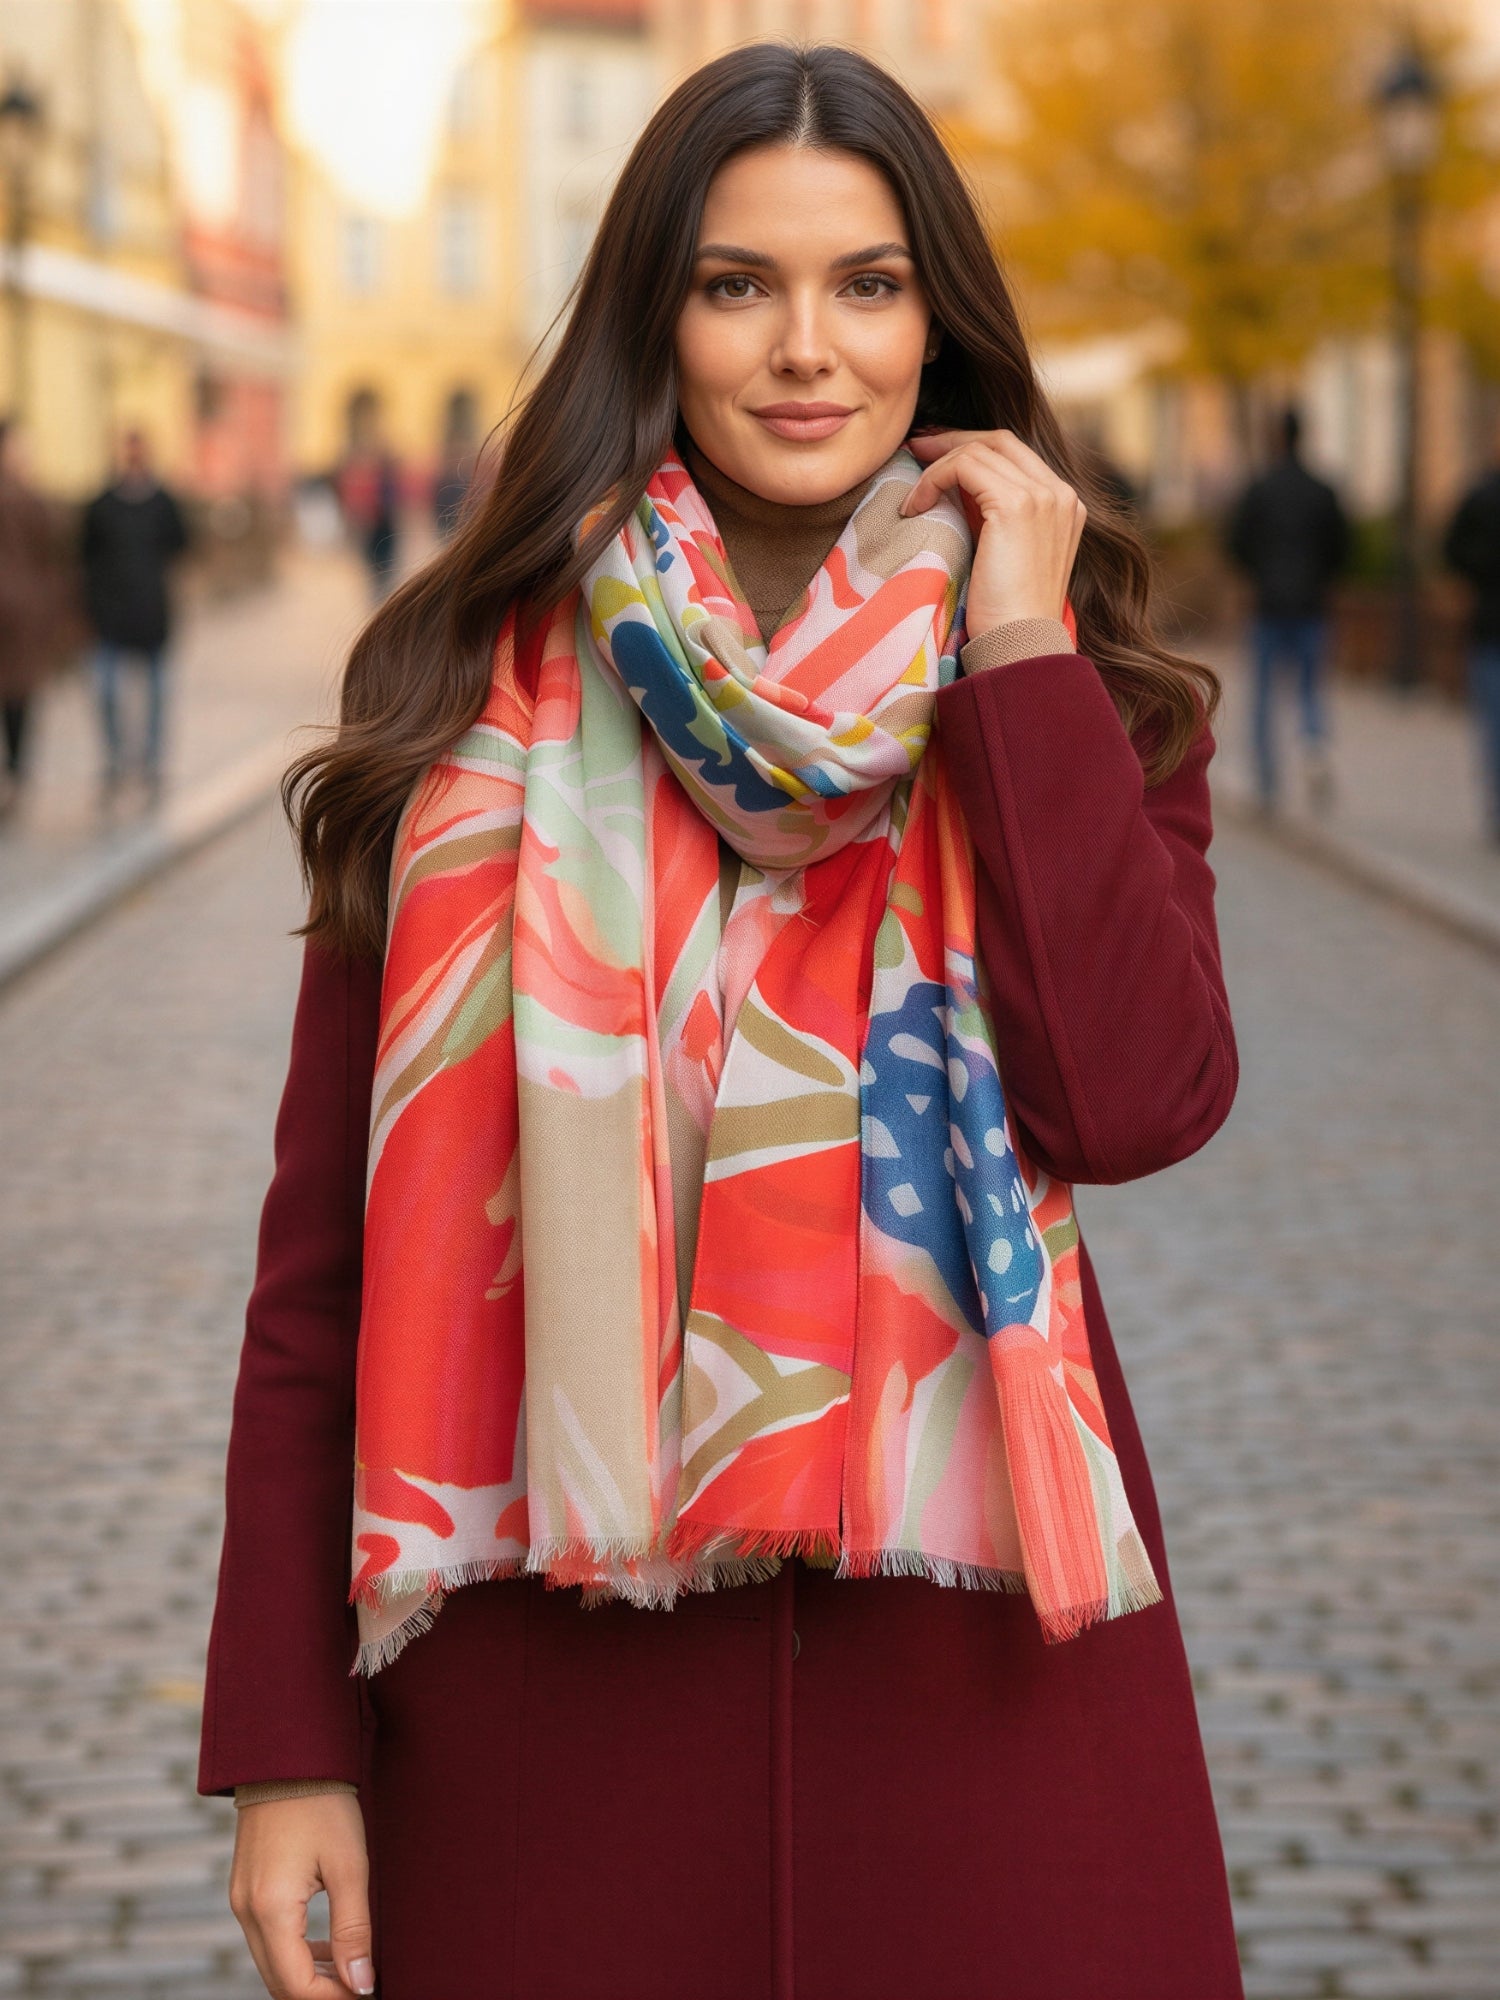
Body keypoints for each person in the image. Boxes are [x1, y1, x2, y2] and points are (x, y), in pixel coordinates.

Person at [201, 43, 1243, 2000]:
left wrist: (1018, 658)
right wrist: (284, 1743)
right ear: (652, 314)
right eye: (736, 281)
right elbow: (316, 1285)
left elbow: (1134, 1093)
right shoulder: (460, 707)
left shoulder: (1073, 689)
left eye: (866, 283)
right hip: (549, 1735)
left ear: (939, 324)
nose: (805, 346)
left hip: (983, 1723)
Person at [1226, 406, 1350, 811]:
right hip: (1313, 604)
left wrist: (1258, 571)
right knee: (1311, 689)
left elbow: (1235, 542)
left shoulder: (1259, 489)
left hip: (1268, 604)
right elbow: (1342, 547)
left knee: (1263, 695)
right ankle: (1314, 746)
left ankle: (1267, 780)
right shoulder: (1323, 490)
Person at [80, 430, 190, 800]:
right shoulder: (101, 505)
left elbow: (181, 548)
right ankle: (115, 760)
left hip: (152, 614)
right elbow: (85, 555)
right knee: (106, 690)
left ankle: (152, 763)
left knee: (158, 694)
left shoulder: (163, 503)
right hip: (109, 617)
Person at [0, 420, 75, 820]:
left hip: (21, 624)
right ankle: (14, 775)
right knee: (18, 702)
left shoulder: (31, 500)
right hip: (20, 621)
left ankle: (14, 776)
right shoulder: (30, 501)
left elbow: (51, 562)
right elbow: (54, 561)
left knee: (18, 701)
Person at [1442, 423, 1500, 844]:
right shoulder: (1479, 496)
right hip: (1487, 627)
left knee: (1494, 726)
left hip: (1489, 624)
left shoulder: (1480, 497)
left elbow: (1453, 550)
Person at [336, 432, 401, 600]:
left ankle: (381, 587)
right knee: (374, 558)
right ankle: (379, 587)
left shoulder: (384, 478)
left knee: (382, 558)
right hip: (373, 524)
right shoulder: (365, 478)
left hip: (383, 523)